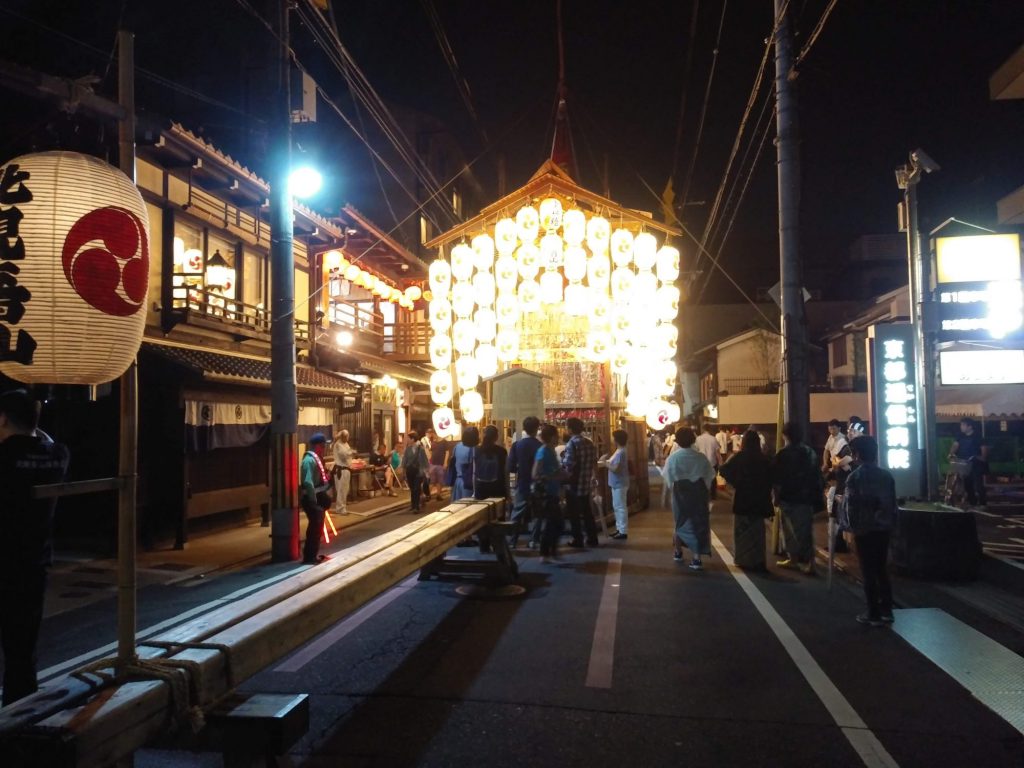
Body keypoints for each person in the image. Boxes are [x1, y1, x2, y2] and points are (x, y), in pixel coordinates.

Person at [0, 389, 70, 706]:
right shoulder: (58, 456)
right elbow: (47, 440)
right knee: (22, 649)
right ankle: (19, 716)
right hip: (33, 563)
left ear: (2, 419)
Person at [840, 436, 897, 626]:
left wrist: (849, 527)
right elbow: (892, 504)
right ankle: (887, 610)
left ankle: (872, 611)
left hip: (864, 530)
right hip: (883, 529)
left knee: (867, 570)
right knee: (881, 568)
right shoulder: (886, 476)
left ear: (856, 455)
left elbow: (850, 507)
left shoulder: (854, 477)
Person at [772, 422, 825, 575]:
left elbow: (776, 479)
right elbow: (817, 476)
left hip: (788, 497)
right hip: (806, 497)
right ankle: (807, 562)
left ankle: (796, 559)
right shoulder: (810, 452)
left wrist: (775, 497)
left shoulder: (783, 454)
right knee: (805, 530)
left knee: (789, 529)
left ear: (784, 435)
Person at [663, 427, 716, 570]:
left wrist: (667, 496)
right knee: (698, 523)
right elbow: (709, 477)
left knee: (680, 522)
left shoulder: (673, 458)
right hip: (698, 493)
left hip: (680, 493)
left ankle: (678, 552)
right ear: (693, 439)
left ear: (678, 441)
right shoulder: (701, 457)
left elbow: (668, 479)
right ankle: (697, 557)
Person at [719, 430, 774, 570]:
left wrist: (735, 482)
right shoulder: (764, 459)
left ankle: (742, 559)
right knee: (758, 531)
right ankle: (758, 560)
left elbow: (724, 469)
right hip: (760, 499)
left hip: (743, 497)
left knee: (742, 530)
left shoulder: (739, 457)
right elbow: (773, 477)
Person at [561, 417, 598, 548]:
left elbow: (568, 464)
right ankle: (592, 538)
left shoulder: (572, 444)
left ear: (570, 429)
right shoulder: (589, 442)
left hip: (573, 484)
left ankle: (578, 539)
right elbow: (594, 461)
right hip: (585, 483)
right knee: (587, 512)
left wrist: (561, 461)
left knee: (574, 514)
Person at [507, 415, 542, 548]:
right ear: (537, 428)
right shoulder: (540, 446)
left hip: (522, 484)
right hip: (537, 484)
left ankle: (512, 541)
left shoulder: (517, 445)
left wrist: (511, 486)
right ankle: (534, 540)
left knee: (516, 513)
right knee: (537, 514)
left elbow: (511, 468)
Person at [533, 423, 566, 564]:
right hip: (546, 493)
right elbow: (535, 473)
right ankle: (547, 553)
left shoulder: (550, 450)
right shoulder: (543, 451)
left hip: (552, 492)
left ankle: (550, 552)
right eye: (557, 435)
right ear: (552, 437)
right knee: (554, 523)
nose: (558, 437)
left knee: (555, 523)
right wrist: (553, 476)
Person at [299, 433, 332, 565]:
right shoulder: (309, 460)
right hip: (311, 499)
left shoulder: (315, 459)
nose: (324, 448)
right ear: (318, 446)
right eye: (323, 446)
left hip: (315, 497)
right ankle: (309, 556)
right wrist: (314, 500)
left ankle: (312, 555)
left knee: (317, 527)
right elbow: (308, 482)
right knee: (314, 528)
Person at [822, 419, 852, 553]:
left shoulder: (844, 443)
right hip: (838, 482)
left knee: (836, 514)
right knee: (835, 513)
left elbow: (841, 464)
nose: (849, 432)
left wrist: (836, 464)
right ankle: (837, 543)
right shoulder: (842, 443)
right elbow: (831, 458)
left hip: (841, 484)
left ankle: (839, 544)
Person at [949, 418, 988, 509]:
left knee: (978, 484)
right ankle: (972, 502)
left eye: (963, 425)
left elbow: (984, 449)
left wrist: (982, 457)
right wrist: (951, 454)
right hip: (964, 464)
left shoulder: (978, 437)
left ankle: (983, 503)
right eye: (961, 425)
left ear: (969, 426)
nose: (961, 427)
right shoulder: (960, 436)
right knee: (967, 484)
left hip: (976, 464)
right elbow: (955, 445)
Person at [605, 429, 630, 540]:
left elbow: (616, 469)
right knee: (617, 507)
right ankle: (619, 529)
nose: (611, 438)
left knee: (620, 507)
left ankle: (623, 531)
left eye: (613, 437)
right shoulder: (619, 450)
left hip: (620, 483)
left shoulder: (620, 452)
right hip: (617, 483)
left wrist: (605, 463)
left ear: (616, 439)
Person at [474, 424, 509, 502]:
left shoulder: (477, 450)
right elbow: (506, 473)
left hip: (480, 488)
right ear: (496, 437)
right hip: (498, 488)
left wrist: (475, 490)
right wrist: (508, 494)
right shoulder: (502, 451)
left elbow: (474, 472)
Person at [450, 426, 479, 501]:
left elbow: (453, 461)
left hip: (458, 481)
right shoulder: (474, 448)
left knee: (457, 508)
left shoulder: (457, 446)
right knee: (468, 507)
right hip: (468, 482)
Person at [403, 431, 429, 513]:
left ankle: (417, 506)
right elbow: (404, 460)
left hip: (418, 471)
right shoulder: (408, 449)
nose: (407, 440)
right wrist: (403, 472)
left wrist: (425, 472)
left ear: (413, 439)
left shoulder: (420, 449)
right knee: (412, 488)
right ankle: (413, 505)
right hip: (410, 471)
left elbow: (424, 461)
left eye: (408, 439)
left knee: (417, 488)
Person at [695, 423, 722, 499]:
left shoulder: (698, 439)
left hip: (701, 463)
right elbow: (717, 453)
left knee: (702, 479)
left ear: (703, 429)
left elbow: (696, 451)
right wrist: (720, 463)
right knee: (713, 479)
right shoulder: (713, 439)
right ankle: (713, 495)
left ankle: (703, 494)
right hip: (712, 462)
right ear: (710, 429)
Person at [332, 429, 354, 515]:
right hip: (341, 469)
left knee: (345, 490)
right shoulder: (338, 444)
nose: (347, 438)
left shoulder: (346, 444)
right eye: (346, 436)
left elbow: (348, 453)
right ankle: (340, 508)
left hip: (346, 469)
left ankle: (343, 507)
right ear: (342, 437)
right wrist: (352, 452)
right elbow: (343, 455)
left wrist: (351, 453)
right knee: (341, 490)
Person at [428, 435, 450, 501]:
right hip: (432, 464)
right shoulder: (433, 443)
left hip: (440, 464)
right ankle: (428, 495)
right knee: (432, 481)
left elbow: (447, 452)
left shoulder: (444, 442)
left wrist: (445, 462)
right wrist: (429, 462)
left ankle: (438, 494)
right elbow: (431, 452)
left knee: (440, 481)